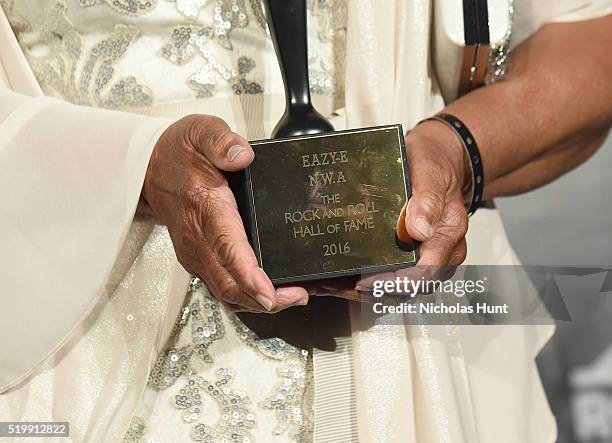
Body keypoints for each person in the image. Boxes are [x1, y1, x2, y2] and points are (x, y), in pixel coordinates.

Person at [0, 0, 610, 441]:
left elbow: (586, 36)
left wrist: (459, 149)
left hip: (410, 341)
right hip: (93, 341)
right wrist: (135, 169)